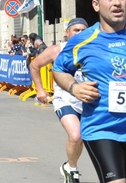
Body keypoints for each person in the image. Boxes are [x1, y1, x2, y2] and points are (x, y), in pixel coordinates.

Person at [53, 0, 126, 183]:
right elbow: (58, 69)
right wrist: (74, 87)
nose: (117, 3)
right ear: (96, 5)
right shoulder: (82, 40)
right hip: (102, 128)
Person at [30, 18, 88, 183]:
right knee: (76, 136)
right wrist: (40, 89)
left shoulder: (95, 49)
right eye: (76, 30)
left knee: (90, 140)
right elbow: (34, 66)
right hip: (65, 100)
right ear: (67, 33)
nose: (80, 33)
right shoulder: (57, 50)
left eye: (84, 30)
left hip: (88, 102)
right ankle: (72, 169)